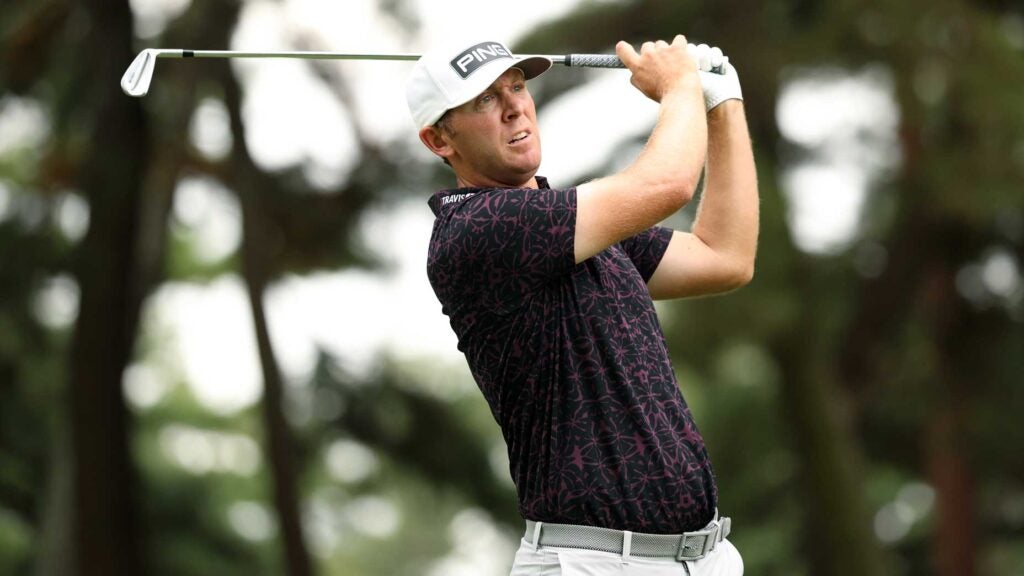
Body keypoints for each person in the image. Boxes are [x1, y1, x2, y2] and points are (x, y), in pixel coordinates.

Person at [405, 34, 757, 576]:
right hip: (592, 563)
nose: (514, 106)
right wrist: (681, 84)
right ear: (439, 140)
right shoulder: (477, 229)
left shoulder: (579, 230)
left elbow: (724, 256)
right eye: (483, 100)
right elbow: (666, 184)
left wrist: (721, 100)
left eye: (517, 86)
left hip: (704, 556)